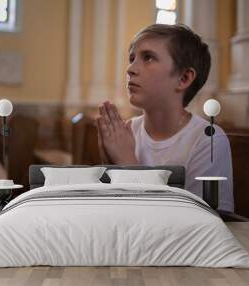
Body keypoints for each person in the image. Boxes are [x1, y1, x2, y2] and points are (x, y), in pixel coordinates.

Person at [96, 24, 234, 212]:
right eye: (131, 58)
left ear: (184, 78)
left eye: (148, 58)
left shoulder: (208, 141)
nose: (130, 69)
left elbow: (205, 223)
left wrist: (127, 163)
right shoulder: (126, 133)